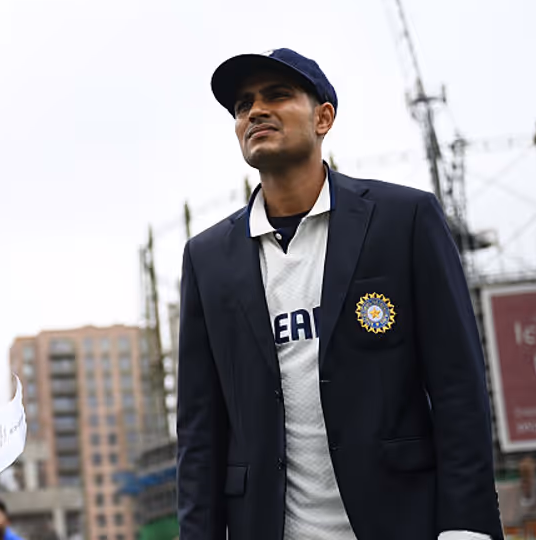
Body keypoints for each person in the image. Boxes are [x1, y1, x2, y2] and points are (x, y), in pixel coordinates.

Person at [176, 49, 503, 540]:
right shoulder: (207, 259)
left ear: (323, 118)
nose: (256, 111)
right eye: (244, 105)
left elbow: (458, 386)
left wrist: (466, 528)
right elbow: (199, 429)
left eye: (277, 95)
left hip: (403, 522)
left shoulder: (404, 220)